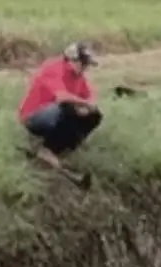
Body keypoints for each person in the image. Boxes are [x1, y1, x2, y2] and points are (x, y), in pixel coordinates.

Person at [17, 41, 102, 178]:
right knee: (66, 107)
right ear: (72, 60)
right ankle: (43, 149)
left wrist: (87, 107)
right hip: (33, 116)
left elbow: (90, 97)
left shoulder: (78, 77)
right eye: (83, 63)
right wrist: (84, 103)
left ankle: (56, 150)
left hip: (55, 113)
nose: (85, 68)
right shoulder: (54, 68)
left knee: (94, 115)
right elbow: (61, 97)